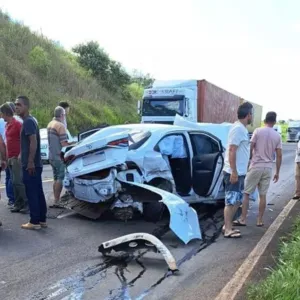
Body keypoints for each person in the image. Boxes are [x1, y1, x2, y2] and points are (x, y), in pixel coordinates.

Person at [234, 112, 282, 227]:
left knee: (246, 193)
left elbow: (250, 148)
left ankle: (243, 219)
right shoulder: (277, 136)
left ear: (265, 120)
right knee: (263, 195)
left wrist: (248, 162)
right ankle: (259, 220)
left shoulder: (257, 131)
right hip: (268, 168)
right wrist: (277, 172)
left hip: (256, 166)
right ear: (274, 122)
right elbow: (279, 155)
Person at [15, 96, 47, 230]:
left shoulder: (28, 122)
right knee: (38, 191)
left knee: (32, 192)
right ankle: (41, 219)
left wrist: (29, 162)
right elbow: (28, 143)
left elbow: (33, 142)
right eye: (15, 105)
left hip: (31, 165)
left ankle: (34, 221)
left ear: (26, 106)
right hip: (34, 164)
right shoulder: (30, 121)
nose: (16, 107)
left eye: (19, 105)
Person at [222, 102, 253, 238]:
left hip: (239, 172)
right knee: (231, 201)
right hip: (234, 172)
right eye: (252, 114)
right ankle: (227, 229)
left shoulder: (242, 129)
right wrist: (234, 171)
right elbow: (232, 150)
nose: (252, 117)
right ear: (248, 115)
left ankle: (227, 225)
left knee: (237, 200)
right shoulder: (238, 129)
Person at [1, 103, 29, 213]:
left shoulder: (18, 124)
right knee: (13, 182)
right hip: (10, 157)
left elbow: (24, 141)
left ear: (6, 113)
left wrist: (21, 155)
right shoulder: (7, 125)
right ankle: (18, 203)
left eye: (2, 114)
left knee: (18, 182)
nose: (1, 116)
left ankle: (26, 203)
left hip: (17, 157)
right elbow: (7, 142)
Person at [47, 106, 75, 208]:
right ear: (62, 115)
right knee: (60, 178)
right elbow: (63, 144)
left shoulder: (50, 124)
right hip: (59, 156)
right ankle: (57, 201)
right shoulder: (60, 126)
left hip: (51, 156)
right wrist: (72, 145)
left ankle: (55, 200)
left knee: (55, 178)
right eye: (64, 115)